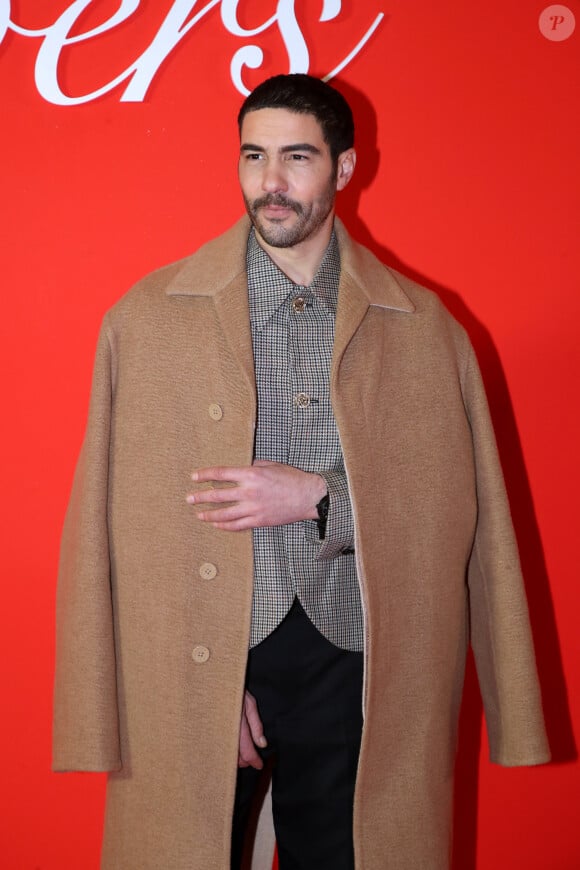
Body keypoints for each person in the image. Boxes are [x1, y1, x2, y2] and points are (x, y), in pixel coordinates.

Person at [53, 74, 550, 870]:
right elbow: (115, 527)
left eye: (297, 158)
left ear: (345, 169)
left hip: (361, 661)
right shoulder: (148, 318)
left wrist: (321, 497)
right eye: (253, 156)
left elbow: (464, 517)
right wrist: (194, 681)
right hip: (204, 654)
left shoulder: (424, 329)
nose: (271, 183)